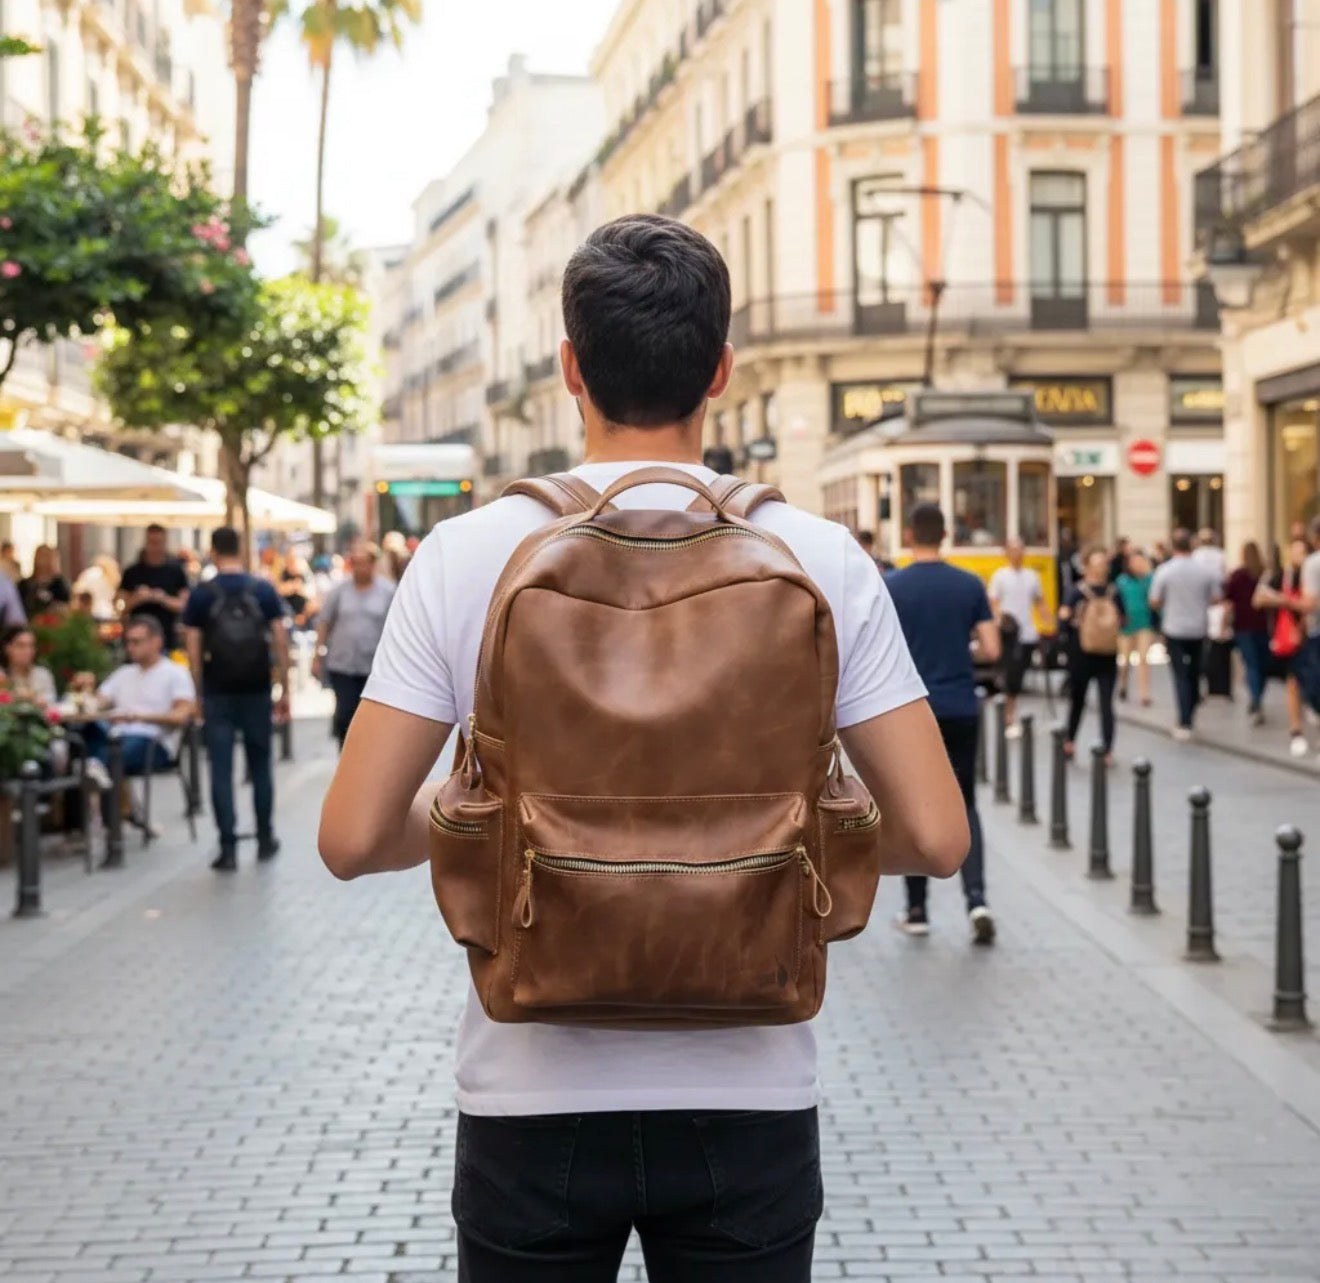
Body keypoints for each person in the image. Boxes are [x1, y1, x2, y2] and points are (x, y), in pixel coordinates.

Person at [318, 214, 969, 1282]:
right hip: (749, 1091)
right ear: (721, 368)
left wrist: (497, 832)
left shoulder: (466, 553)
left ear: (571, 366)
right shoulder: (817, 554)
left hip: (529, 1092)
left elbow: (349, 837)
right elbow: (939, 837)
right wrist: (788, 841)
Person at [886, 503, 1000, 944]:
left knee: (912, 806)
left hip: (913, 711)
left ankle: (917, 909)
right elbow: (990, 649)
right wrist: (960, 650)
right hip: (961, 707)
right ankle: (977, 902)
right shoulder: (969, 585)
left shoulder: (891, 586)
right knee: (966, 802)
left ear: (910, 535)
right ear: (947, 536)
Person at [183, 526, 290, 871]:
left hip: (218, 691)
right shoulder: (262, 589)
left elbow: (193, 646)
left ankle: (227, 847)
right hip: (256, 689)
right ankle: (264, 838)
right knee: (261, 767)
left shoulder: (201, 594)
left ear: (213, 551)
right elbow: (279, 639)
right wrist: (284, 686)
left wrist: (197, 690)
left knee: (221, 770)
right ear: (241, 549)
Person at [87, 616, 195, 776]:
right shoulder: (123, 673)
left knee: (118, 751)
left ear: (156, 642)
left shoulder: (176, 673)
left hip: (152, 741)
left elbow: (181, 716)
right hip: (117, 735)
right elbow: (99, 702)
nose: (130, 648)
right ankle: (92, 772)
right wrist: (86, 691)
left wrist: (139, 717)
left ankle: (93, 771)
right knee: (83, 735)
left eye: (136, 642)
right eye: (128, 642)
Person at [312, 541, 394, 748]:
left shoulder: (387, 591)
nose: (359, 568)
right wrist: (317, 655)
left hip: (374, 667)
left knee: (370, 717)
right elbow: (325, 622)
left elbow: (395, 628)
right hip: (343, 664)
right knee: (345, 712)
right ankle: (345, 752)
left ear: (373, 564)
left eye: (363, 563)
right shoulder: (339, 590)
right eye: (355, 563)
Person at [1150, 528, 1221, 741]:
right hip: (1198, 627)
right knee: (1194, 672)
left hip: (1175, 628)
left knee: (1180, 674)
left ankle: (1184, 719)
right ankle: (1190, 710)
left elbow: (1154, 600)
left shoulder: (1165, 570)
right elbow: (1217, 597)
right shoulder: (1204, 570)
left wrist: (1168, 604)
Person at [1059, 548, 1125, 763]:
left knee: (1080, 700)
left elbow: (1063, 621)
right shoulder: (1114, 592)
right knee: (1103, 702)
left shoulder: (1076, 591)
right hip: (1106, 653)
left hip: (1082, 654)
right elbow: (1124, 620)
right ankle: (1106, 749)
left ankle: (1071, 741)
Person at [1254, 536, 1314, 757]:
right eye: (1294, 552)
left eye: (1301, 553)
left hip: (1310, 636)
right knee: (1292, 682)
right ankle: (1296, 730)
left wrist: (1286, 601)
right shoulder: (1285, 576)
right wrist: (1284, 600)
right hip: (1292, 639)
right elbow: (1258, 599)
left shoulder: (1313, 574)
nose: (1297, 557)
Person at [988, 536, 1048, 737]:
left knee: (1020, 674)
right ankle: (1009, 716)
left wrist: (1046, 620)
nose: (1017, 554)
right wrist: (999, 619)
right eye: (1013, 550)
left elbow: (1040, 601)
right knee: (1011, 675)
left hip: (1027, 633)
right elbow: (994, 602)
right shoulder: (1000, 576)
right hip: (1009, 633)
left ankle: (1011, 711)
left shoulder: (1032, 576)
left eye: (1020, 550)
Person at [120, 524, 190, 651]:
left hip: (166, 640)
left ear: (164, 543)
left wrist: (162, 599)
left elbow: (183, 605)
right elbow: (120, 607)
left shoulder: (176, 571)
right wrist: (137, 598)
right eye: (151, 542)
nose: (154, 547)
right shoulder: (132, 572)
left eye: (158, 543)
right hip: (136, 642)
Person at [1225, 541, 1271, 724]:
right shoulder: (1264, 574)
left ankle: (1256, 699)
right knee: (1261, 664)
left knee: (1251, 664)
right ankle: (1257, 696)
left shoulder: (1238, 575)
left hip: (1243, 626)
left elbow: (1228, 598)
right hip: (1262, 625)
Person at [1115, 550, 1155, 705]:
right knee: (1124, 659)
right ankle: (1123, 684)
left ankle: (1144, 694)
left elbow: (1155, 599)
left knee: (1143, 658)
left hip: (1144, 623)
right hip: (1126, 625)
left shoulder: (1149, 579)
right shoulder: (1122, 581)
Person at [1, 623, 57, 707]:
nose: (28, 651)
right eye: (21, 646)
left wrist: (32, 698)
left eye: (31, 646)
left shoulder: (42, 674)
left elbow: (51, 702)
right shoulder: (1, 675)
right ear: (8, 648)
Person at [19, 544, 70, 618]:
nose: (42, 561)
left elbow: (65, 606)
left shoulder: (59, 584)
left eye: (46, 556)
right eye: (40, 556)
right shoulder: (24, 584)